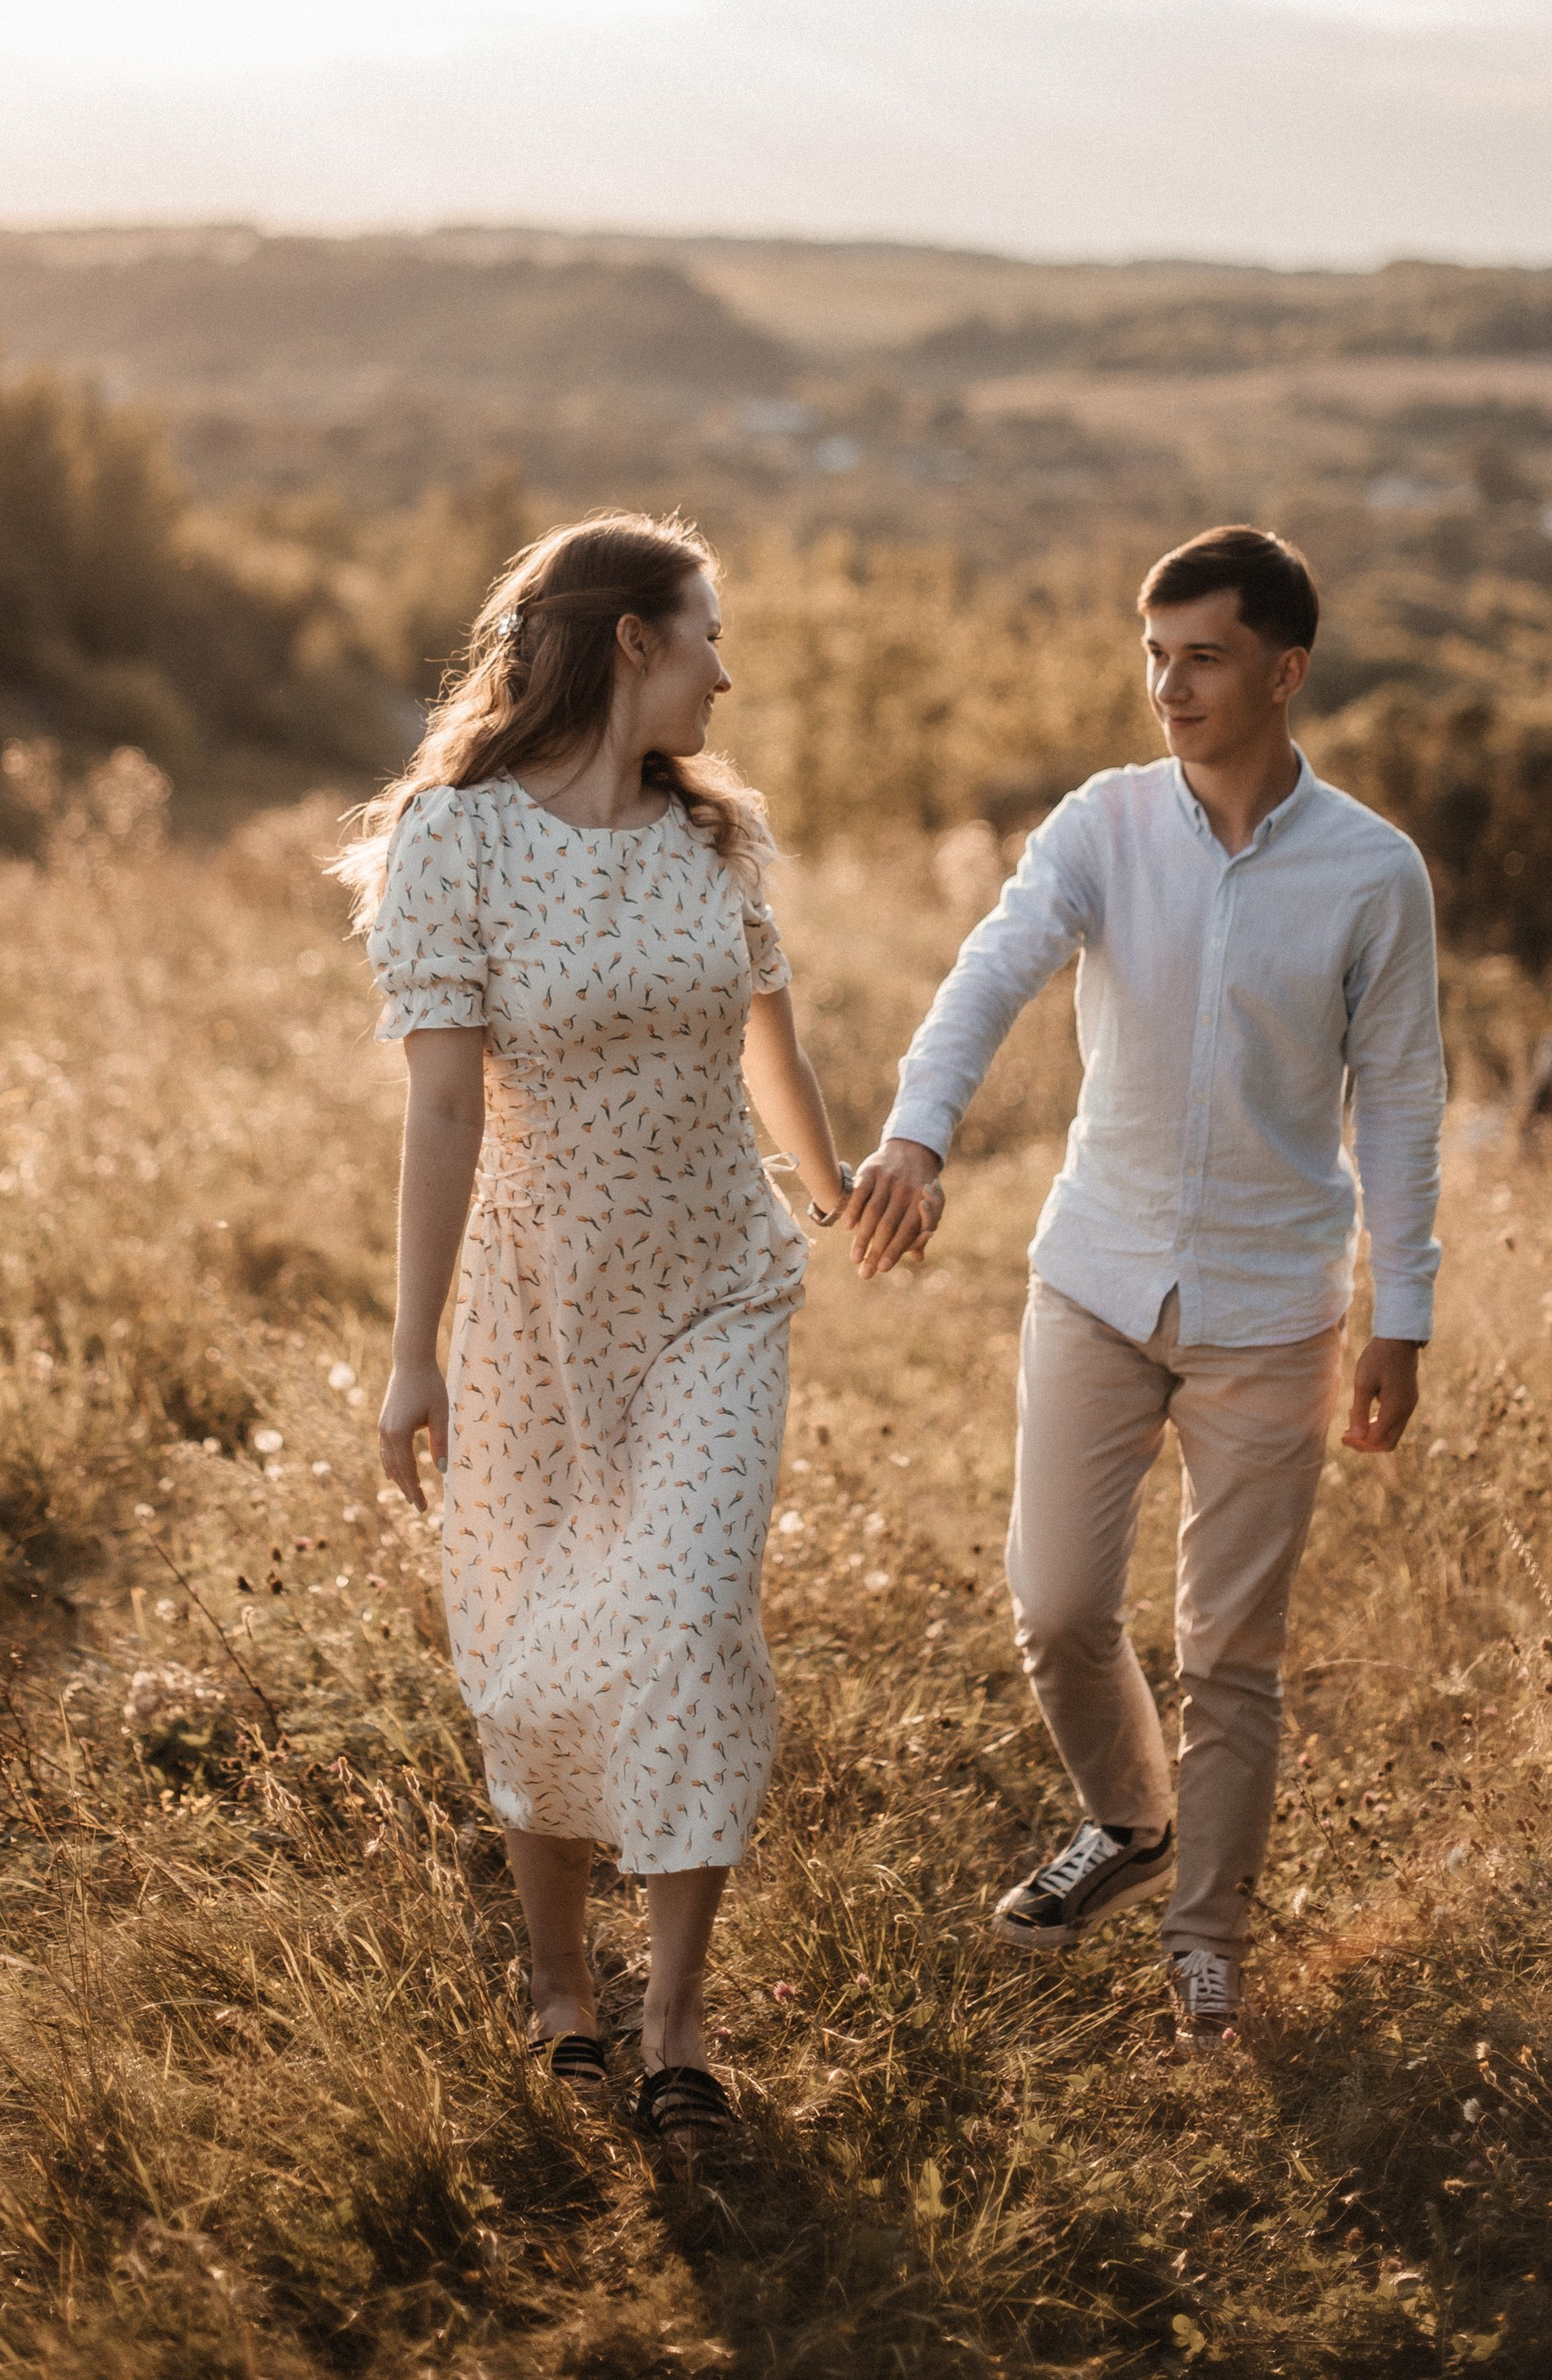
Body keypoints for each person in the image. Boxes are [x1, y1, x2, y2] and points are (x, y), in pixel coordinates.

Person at [346, 514, 926, 2142]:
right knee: (536, 1655)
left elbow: (774, 1056)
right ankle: (560, 1986)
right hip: (534, 1317)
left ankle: (674, 2022)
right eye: (707, 638)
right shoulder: (454, 842)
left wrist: (841, 1188)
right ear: (629, 644)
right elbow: (444, 1111)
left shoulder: (714, 842)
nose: (727, 674)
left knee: (680, 1620)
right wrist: (413, 1353)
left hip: (718, 1294)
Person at [845, 524, 1444, 2054]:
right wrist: (918, 1132)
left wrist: (1402, 1311)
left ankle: (1206, 1947)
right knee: (1056, 1605)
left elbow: (1401, 1106)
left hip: (1274, 1310)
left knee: (1230, 1653)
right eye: (1154, 658)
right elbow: (993, 969)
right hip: (1096, 1277)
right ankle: (1131, 1816)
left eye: (1203, 658)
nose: (1168, 687)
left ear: (1285, 672)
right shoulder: (1102, 827)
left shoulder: (1374, 873)